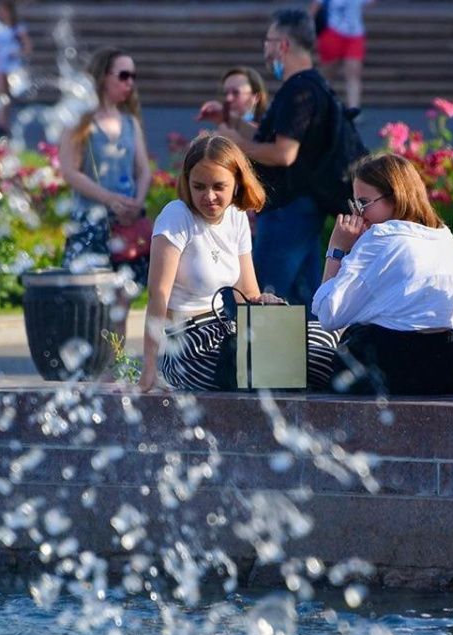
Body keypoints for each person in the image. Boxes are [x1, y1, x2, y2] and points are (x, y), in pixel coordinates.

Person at [139, 135, 338, 393]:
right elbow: (158, 294)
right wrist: (149, 369)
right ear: (187, 183)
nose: (209, 196)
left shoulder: (236, 215)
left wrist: (266, 305)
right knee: (301, 362)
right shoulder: (177, 215)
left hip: (223, 331)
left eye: (218, 186)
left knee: (324, 338)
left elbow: (248, 294)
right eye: (199, 187)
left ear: (236, 183)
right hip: (187, 346)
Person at [312, 154, 453, 396]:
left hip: (391, 367)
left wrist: (336, 250)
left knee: (309, 353)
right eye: (355, 205)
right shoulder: (449, 243)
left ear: (396, 198)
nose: (359, 214)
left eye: (363, 203)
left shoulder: (379, 238)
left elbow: (328, 315)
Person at [216, 8, 340, 307]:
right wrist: (233, 122)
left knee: (253, 298)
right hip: (304, 209)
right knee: (304, 302)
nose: (266, 49)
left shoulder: (299, 91)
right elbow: (275, 138)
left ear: (283, 45)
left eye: (268, 41)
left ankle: (241, 340)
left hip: (287, 211)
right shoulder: (313, 85)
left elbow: (284, 153)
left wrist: (237, 144)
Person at [57, 47, 153, 285]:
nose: (130, 83)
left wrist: (137, 203)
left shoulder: (130, 122)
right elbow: (70, 171)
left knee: (127, 293)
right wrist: (109, 199)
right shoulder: (79, 120)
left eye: (133, 76)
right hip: (90, 220)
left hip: (126, 223)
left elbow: (143, 171)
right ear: (102, 77)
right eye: (123, 75)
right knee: (86, 293)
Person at [309, 0, 375, 110]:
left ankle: (354, 108)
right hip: (333, 32)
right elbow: (315, 7)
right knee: (328, 73)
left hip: (355, 34)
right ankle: (321, 105)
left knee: (354, 73)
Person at [0, 0, 32, 138]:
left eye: (3, 10)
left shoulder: (17, 28)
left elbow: (27, 47)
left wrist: (17, 53)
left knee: (10, 94)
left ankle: (8, 123)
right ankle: (0, 123)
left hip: (13, 64)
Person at [196, 67, 270, 138]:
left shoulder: (271, 124)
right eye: (226, 93)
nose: (229, 98)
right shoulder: (224, 128)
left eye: (236, 92)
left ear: (256, 97)